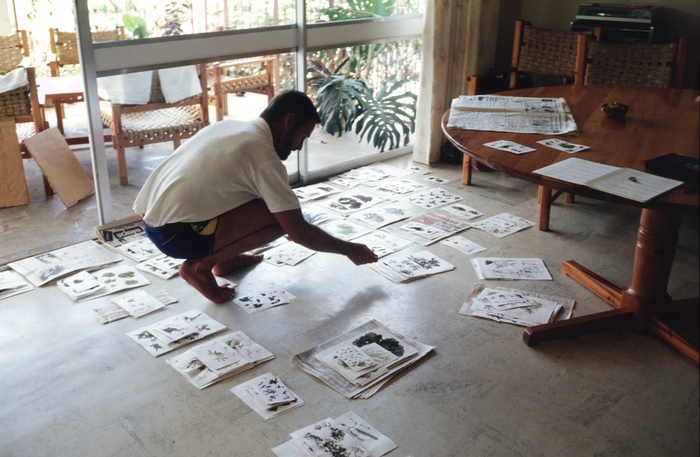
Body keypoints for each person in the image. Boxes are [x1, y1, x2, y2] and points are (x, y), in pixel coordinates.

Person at [133, 90, 378, 303]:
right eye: (301, 137)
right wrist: (349, 248)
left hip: (153, 222)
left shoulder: (232, 126)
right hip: (176, 235)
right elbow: (299, 232)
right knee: (278, 219)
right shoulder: (261, 153)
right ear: (288, 121)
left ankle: (225, 261)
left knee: (263, 201)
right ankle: (199, 266)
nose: (299, 147)